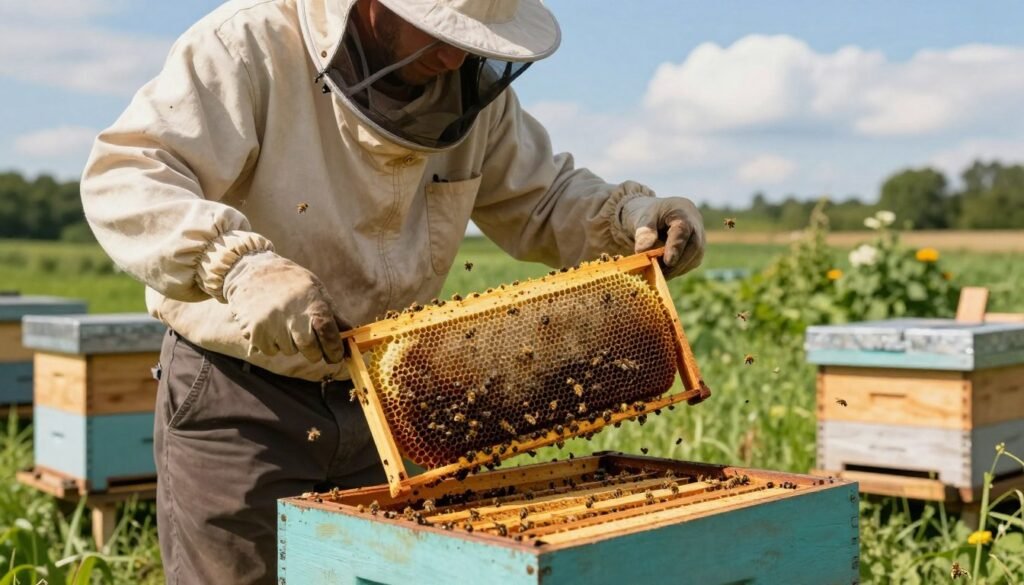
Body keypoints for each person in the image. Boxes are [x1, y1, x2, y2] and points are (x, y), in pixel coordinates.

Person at [80, 0, 705, 582]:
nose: (453, 57)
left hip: (391, 404)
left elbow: (542, 196)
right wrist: (238, 267)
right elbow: (128, 176)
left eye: (469, 40)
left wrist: (631, 218)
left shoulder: (469, 96)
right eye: (439, 31)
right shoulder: (248, 44)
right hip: (243, 402)